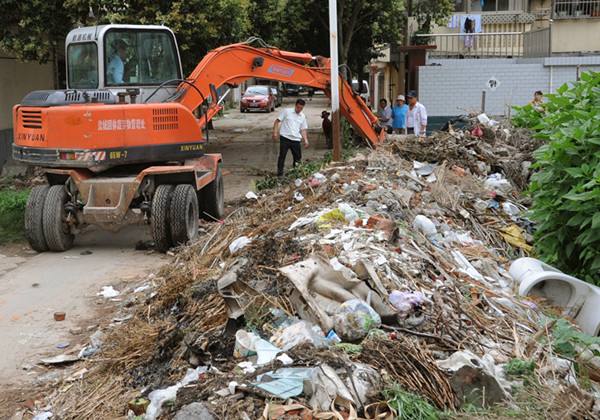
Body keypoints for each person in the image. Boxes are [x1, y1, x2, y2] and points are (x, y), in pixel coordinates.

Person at [273, 99, 309, 176]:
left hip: (296, 139)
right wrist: (275, 133)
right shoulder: (286, 111)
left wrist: (306, 140)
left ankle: (295, 173)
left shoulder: (302, 116)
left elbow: (303, 129)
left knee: (298, 158)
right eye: (298, 107)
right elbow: (277, 121)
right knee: (282, 156)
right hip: (285, 138)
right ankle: (280, 173)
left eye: (301, 108)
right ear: (295, 105)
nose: (299, 110)